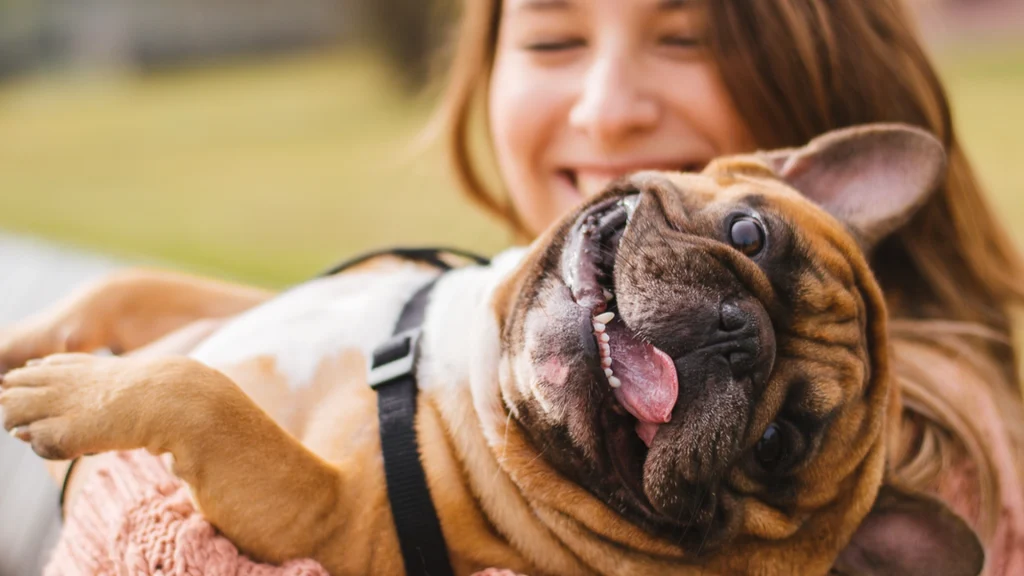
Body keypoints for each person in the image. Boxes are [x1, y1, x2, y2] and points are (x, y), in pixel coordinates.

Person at [3, 1, 1023, 573]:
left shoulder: (933, 448)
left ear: (814, 104)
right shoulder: (504, 316)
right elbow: (314, 340)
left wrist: (119, 449)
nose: (606, 107)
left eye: (685, 40)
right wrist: (132, 318)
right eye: (550, 40)